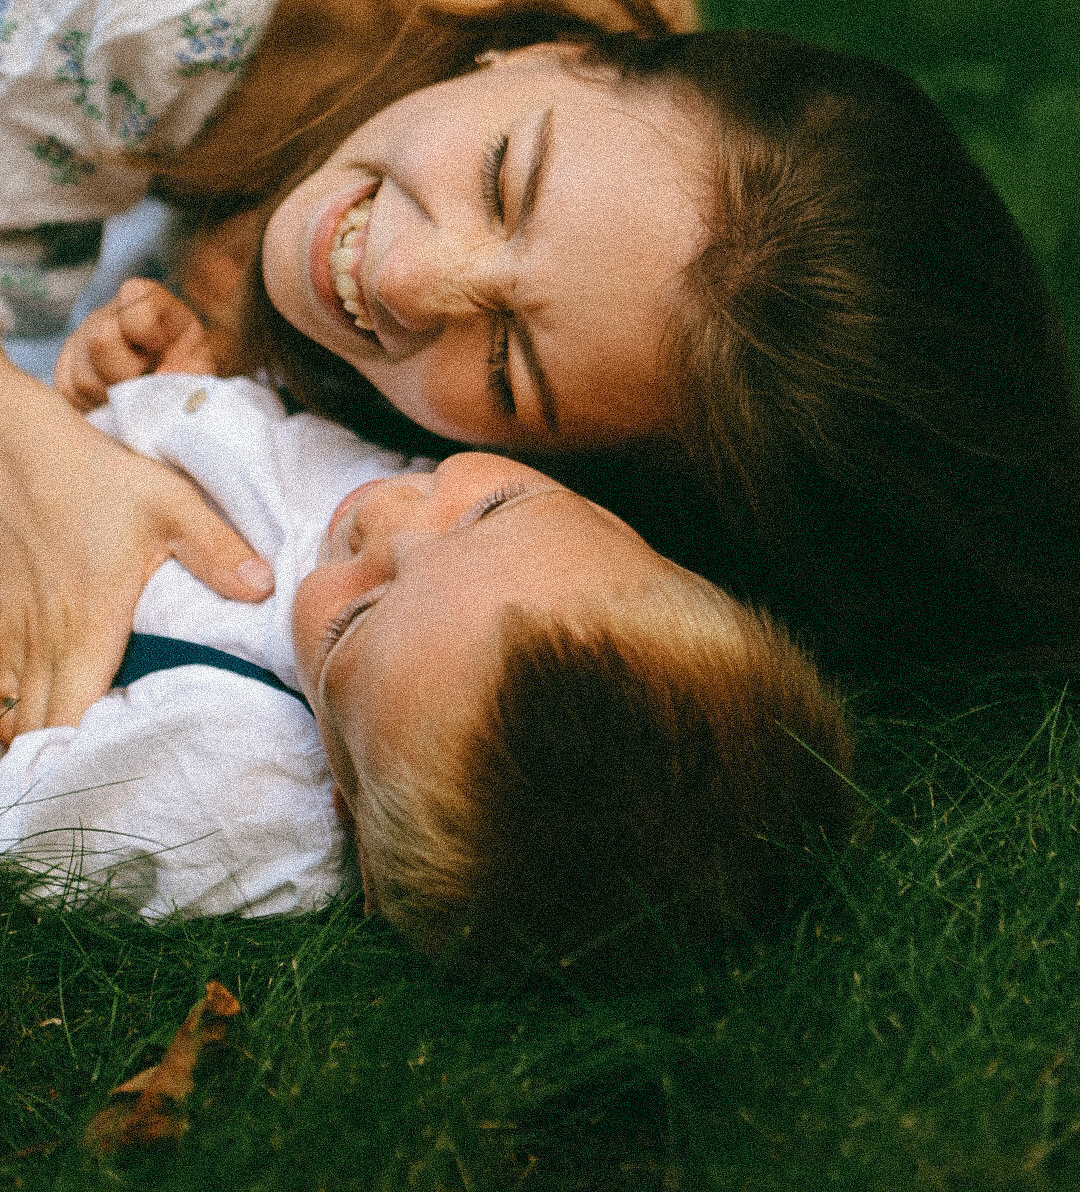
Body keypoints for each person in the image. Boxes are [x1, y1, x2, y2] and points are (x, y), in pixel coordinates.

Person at [1, 0, 1078, 742]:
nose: (407, 276)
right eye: (505, 180)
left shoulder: (627, 171)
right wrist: (51, 459)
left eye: (509, 367)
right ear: (548, 51)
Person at [1, 360, 854, 968]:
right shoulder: (442, 476)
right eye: (494, 506)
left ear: (349, 808)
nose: (388, 517)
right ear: (625, 526)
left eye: (358, 621)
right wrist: (175, 377)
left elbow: (30, 820)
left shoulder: (243, 790)